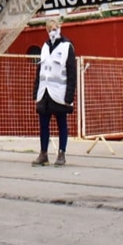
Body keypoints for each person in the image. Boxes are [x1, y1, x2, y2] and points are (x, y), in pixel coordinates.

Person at [32, 20, 77, 166]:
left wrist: (69, 96)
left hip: (59, 94)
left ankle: (61, 153)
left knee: (62, 123)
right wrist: (35, 92)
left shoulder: (67, 46)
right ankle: (43, 153)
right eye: (51, 29)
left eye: (56, 28)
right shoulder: (44, 47)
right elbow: (40, 70)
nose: (53, 31)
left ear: (60, 28)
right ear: (46, 30)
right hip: (44, 93)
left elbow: (72, 73)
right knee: (43, 124)